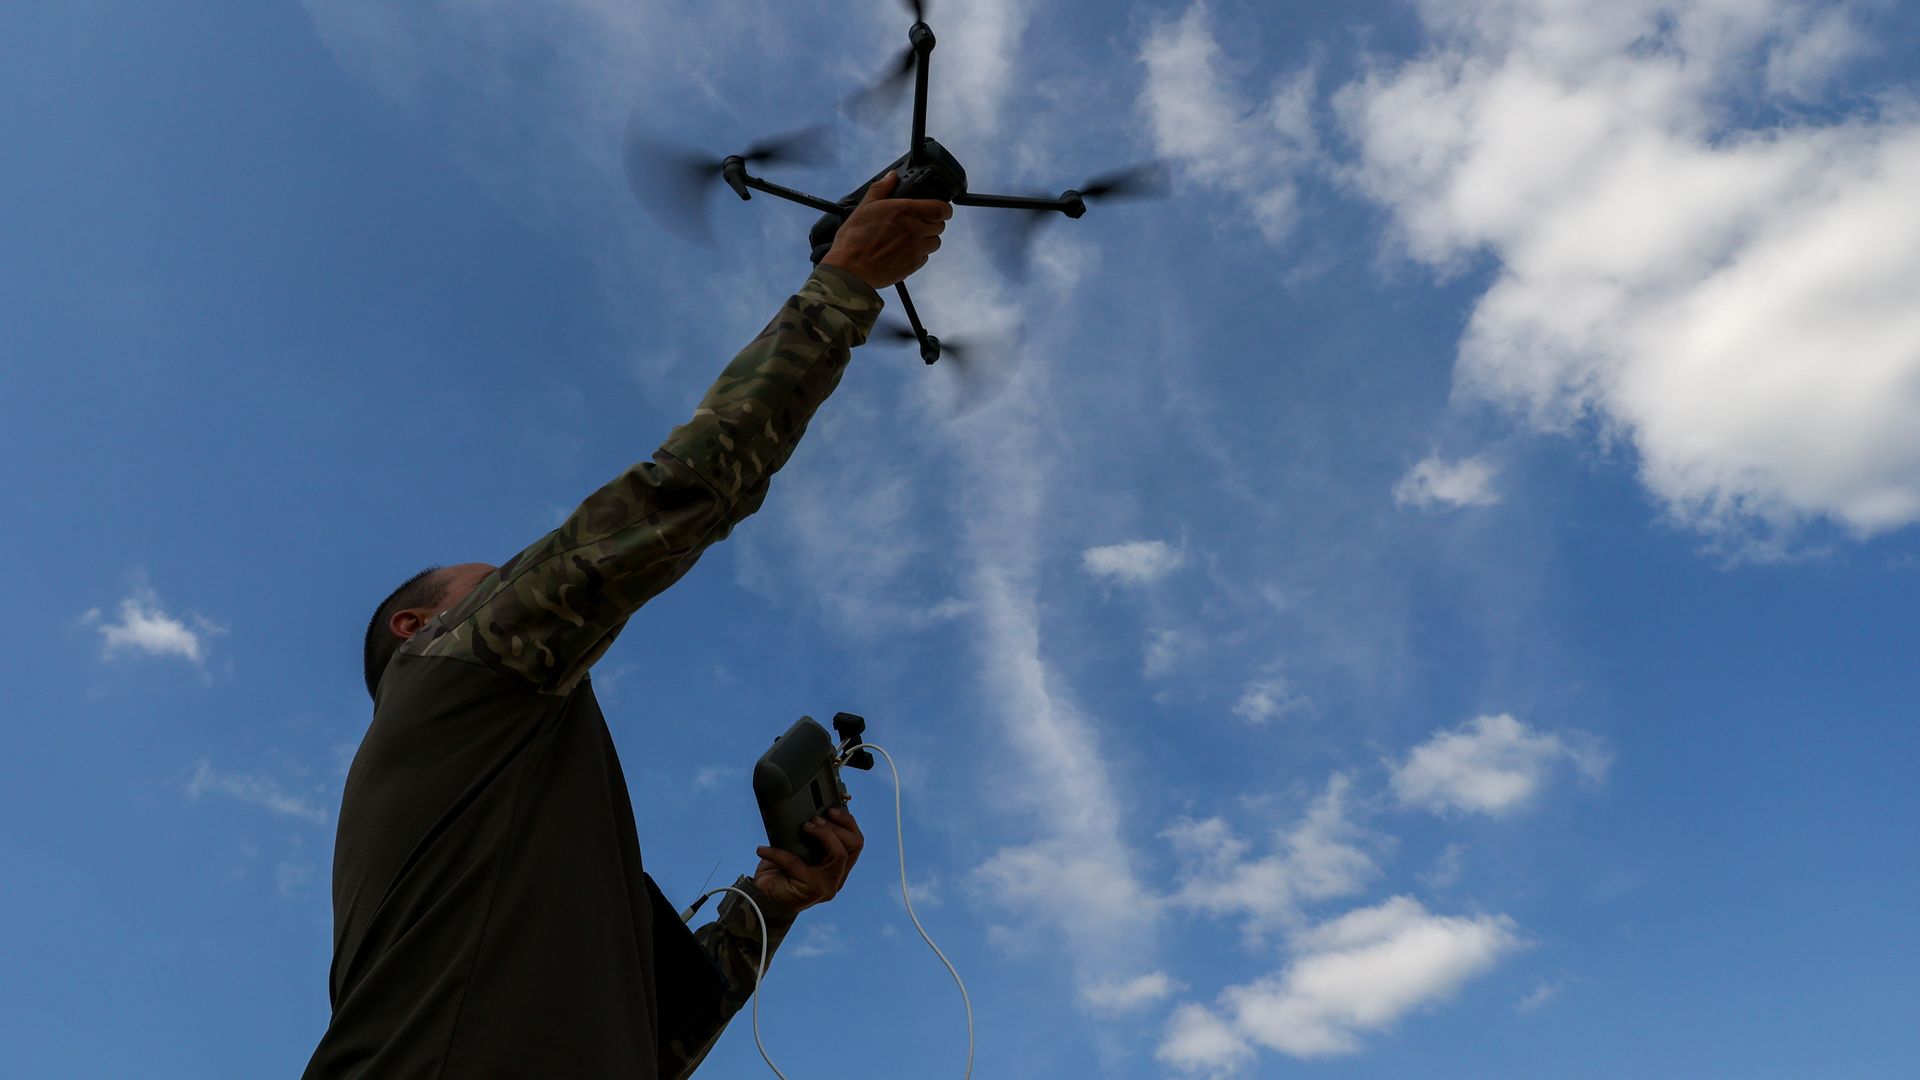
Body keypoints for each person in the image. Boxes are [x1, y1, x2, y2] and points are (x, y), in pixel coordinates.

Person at [302, 171, 953, 1079]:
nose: (521, 589)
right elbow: (685, 493)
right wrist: (843, 287)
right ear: (418, 626)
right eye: (496, 584)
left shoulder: (516, 814)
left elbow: (654, 1050)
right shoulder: (448, 675)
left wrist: (772, 902)